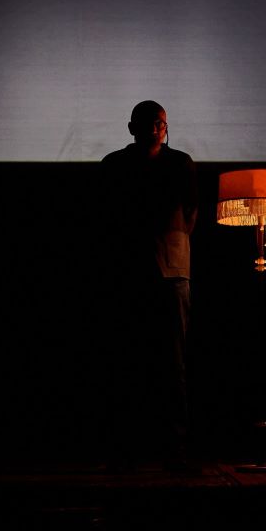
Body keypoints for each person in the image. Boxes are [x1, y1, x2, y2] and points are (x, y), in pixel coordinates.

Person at [99, 100, 198, 473]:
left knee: (173, 364)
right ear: (132, 128)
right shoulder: (114, 164)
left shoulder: (181, 163)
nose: (157, 128)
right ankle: (126, 450)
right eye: (150, 122)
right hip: (127, 272)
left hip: (171, 271)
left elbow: (190, 213)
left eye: (162, 123)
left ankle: (175, 449)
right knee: (127, 361)